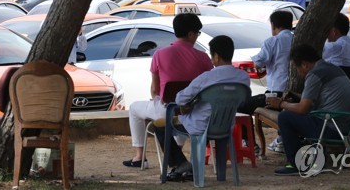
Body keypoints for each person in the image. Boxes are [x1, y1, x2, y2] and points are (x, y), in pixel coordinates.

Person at [153, 35, 250, 181]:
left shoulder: (206, 77)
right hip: (225, 127)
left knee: (160, 126)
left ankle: (180, 163)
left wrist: (193, 102)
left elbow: (180, 98)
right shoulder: (243, 78)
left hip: (200, 126)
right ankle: (218, 176)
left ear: (216, 56)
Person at [123, 13, 213, 168]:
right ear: (191, 34)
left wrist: (156, 99)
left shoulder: (160, 54)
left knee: (134, 108)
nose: (197, 36)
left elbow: (154, 89)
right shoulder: (203, 57)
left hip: (167, 109)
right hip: (192, 110)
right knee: (183, 110)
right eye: (197, 33)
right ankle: (176, 150)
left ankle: (139, 156)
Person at [266, 44, 350, 175]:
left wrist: (281, 104)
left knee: (285, 117)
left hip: (332, 129)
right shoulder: (332, 69)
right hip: (349, 127)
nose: (298, 73)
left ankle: (296, 164)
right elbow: (320, 101)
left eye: (297, 68)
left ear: (304, 64)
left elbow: (303, 109)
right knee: (292, 114)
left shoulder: (315, 74)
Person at [237, 10, 293, 153]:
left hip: (275, 95)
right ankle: (281, 139)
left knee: (241, 106)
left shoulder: (273, 41)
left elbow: (258, 63)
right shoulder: (297, 39)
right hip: (295, 95)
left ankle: (249, 142)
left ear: (273, 25)